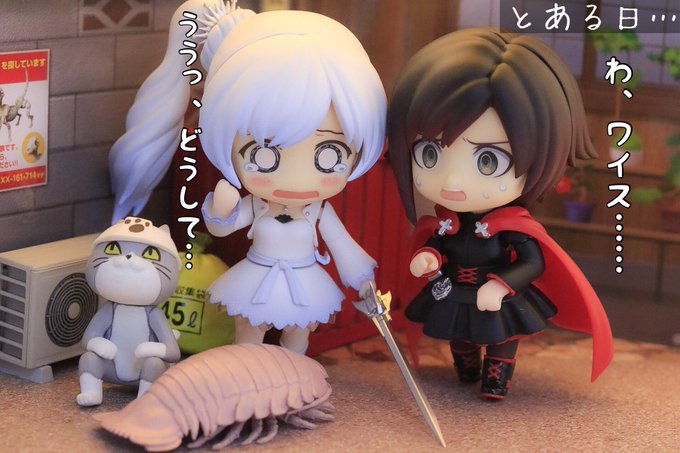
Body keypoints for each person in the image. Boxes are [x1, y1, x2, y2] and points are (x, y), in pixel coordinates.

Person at [110, 0, 386, 354]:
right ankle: (245, 375)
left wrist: (363, 281)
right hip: (257, 279)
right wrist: (222, 208)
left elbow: (344, 248)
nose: (296, 179)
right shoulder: (256, 205)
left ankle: (294, 377)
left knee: (297, 337)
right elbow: (221, 228)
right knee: (250, 333)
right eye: (264, 156)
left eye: (328, 155)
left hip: (305, 285)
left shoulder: (318, 211)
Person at [387, 28, 613, 399]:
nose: (453, 180)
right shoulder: (445, 221)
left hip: (497, 291)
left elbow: (532, 261)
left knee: (502, 336)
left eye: (488, 161)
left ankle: (496, 376)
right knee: (457, 331)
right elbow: (437, 244)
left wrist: (501, 284)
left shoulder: (510, 226)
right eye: (429, 153)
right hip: (456, 289)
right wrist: (428, 256)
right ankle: (465, 364)